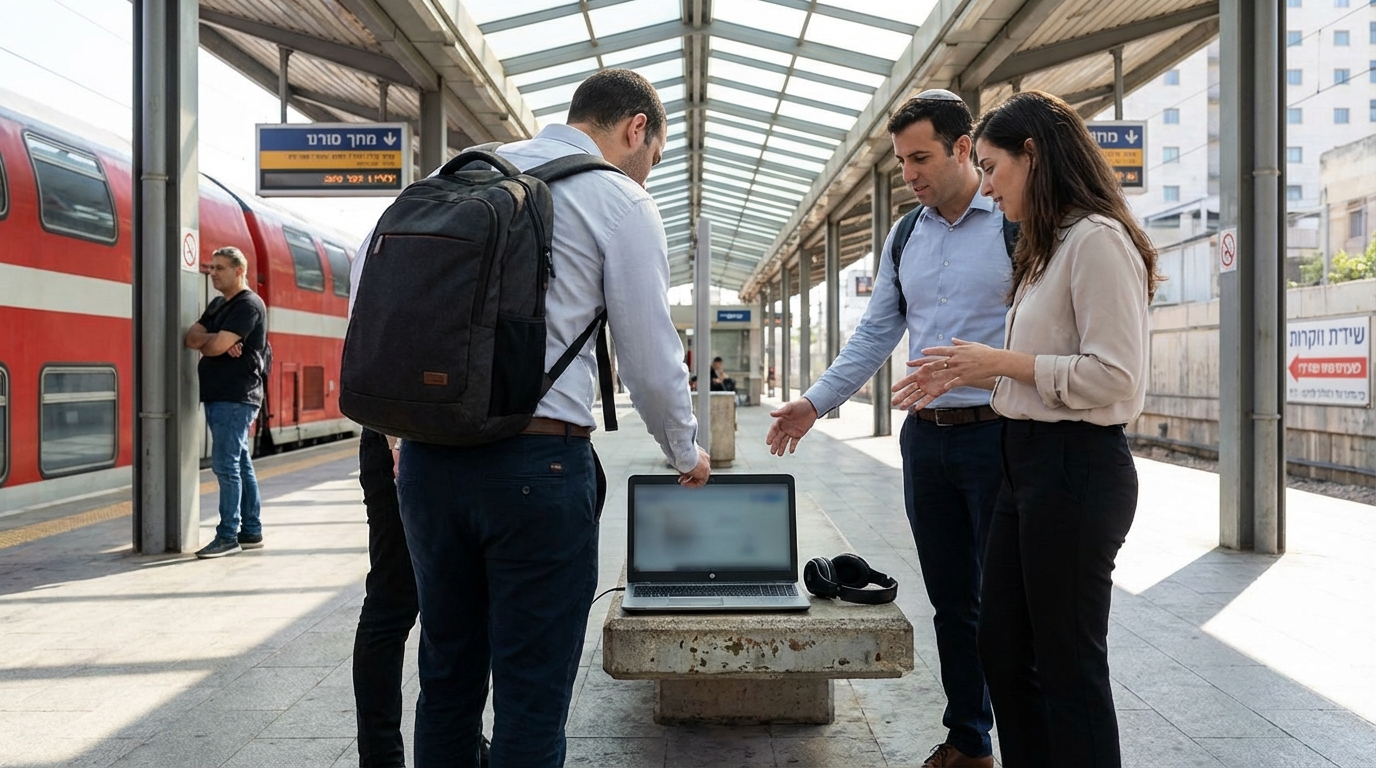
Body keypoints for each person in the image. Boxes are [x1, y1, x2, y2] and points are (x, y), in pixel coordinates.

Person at [387, 69, 711, 767]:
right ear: (636, 130)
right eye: (653, 157)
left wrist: (401, 433)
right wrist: (686, 452)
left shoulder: (458, 174)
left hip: (428, 461)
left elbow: (379, 308)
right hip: (538, 466)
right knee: (531, 693)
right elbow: (652, 360)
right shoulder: (619, 200)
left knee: (446, 675)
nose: (648, 173)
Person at [900, 90, 1159, 767]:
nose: (987, 184)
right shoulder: (1049, 246)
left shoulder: (1097, 239)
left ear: (1033, 155)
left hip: (1076, 467)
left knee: (1068, 664)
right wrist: (968, 374)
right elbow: (1041, 369)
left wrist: (998, 363)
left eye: (993, 167)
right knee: (1004, 647)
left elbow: (1116, 379)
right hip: (1026, 463)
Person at [766, 90, 1012, 768]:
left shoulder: (1013, 224)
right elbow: (877, 331)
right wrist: (815, 403)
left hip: (1001, 436)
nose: (910, 175)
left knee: (1007, 602)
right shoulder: (907, 234)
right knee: (953, 601)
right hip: (926, 440)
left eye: (921, 158)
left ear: (964, 148)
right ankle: (969, 739)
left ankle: (1027, 738)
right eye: (902, 162)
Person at [184, 246, 269, 559]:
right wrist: (218, 341)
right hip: (222, 395)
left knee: (226, 465)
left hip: (236, 396)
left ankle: (227, 535)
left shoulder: (248, 305)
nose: (212, 273)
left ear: (238, 270)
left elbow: (213, 345)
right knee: (240, 463)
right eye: (211, 267)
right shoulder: (220, 304)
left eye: (219, 268)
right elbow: (192, 338)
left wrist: (218, 342)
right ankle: (251, 531)